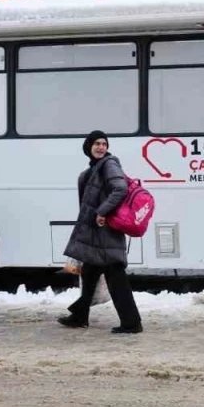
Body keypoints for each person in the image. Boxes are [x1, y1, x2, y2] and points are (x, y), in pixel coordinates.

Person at [57, 130, 143, 334]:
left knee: (115, 275)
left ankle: (132, 323)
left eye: (104, 143)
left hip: (106, 230)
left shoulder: (109, 164)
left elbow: (120, 189)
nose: (101, 147)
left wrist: (102, 211)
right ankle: (79, 316)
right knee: (89, 272)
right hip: (95, 233)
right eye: (97, 143)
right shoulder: (92, 170)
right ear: (88, 146)